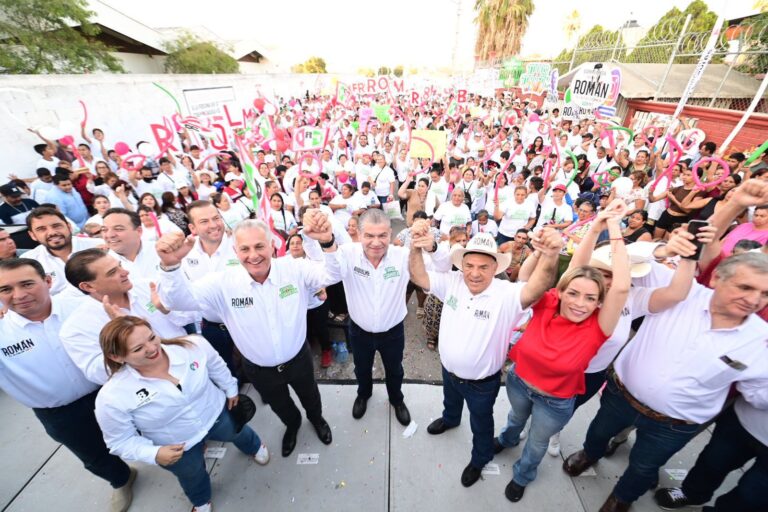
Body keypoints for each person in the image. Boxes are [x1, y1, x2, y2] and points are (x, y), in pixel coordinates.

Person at [562, 186, 768, 512]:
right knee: (598, 434)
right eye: (744, 286)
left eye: (764, 294)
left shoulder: (762, 341)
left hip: (676, 426)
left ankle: (621, 499)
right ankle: (589, 454)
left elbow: (758, 395)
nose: (754, 299)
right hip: (621, 397)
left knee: (643, 467)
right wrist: (661, 250)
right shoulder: (679, 290)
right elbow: (630, 261)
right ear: (715, 278)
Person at [154, 221, 334, 457]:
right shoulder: (222, 283)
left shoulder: (295, 269)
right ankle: (293, 425)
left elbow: (331, 274)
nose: (253, 255)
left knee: (310, 396)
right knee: (280, 405)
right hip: (259, 370)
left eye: (259, 246)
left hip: (299, 359)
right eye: (245, 249)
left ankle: (316, 419)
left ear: (272, 246)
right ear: (235, 251)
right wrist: (170, 266)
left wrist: (326, 242)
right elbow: (178, 301)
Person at [408, 225, 562, 488]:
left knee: (481, 424)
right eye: (469, 266)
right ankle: (450, 419)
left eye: (483, 267)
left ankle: (479, 459)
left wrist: (550, 254)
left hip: (481, 383)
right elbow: (420, 277)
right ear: (462, 266)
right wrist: (414, 247)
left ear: (495, 268)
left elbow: (538, 287)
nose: (475, 273)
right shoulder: (453, 282)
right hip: (449, 371)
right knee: (450, 400)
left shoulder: (507, 294)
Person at [0, 258, 136, 512]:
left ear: (48, 281)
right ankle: (122, 479)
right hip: (59, 414)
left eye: (27, 284)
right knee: (94, 456)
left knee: (144, 431)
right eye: (5, 289)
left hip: (109, 392)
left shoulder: (84, 307)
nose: (18, 295)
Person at [95, 316, 268, 512]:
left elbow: (216, 365)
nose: (152, 349)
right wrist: (155, 453)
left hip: (216, 413)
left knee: (238, 432)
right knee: (191, 475)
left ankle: (255, 447)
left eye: (152, 337)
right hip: (177, 446)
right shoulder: (111, 397)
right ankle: (201, 500)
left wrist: (230, 389)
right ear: (116, 357)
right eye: (138, 349)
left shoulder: (193, 346)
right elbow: (119, 441)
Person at [302, 208, 413, 426]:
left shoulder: (403, 257)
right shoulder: (347, 253)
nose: (376, 242)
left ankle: (396, 399)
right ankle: (364, 394)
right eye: (369, 235)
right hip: (359, 331)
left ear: (390, 234)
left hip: (393, 332)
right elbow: (328, 270)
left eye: (382, 235)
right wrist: (325, 241)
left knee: (395, 369)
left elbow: (436, 267)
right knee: (361, 368)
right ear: (360, 234)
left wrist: (432, 246)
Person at [60, 248, 191, 384]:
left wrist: (167, 310)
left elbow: (191, 315)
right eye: (112, 272)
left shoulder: (148, 287)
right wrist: (121, 334)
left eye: (120, 265)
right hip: (154, 387)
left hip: (192, 362)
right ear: (88, 286)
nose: (125, 272)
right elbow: (99, 374)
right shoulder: (76, 328)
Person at [181, 201, 242, 377]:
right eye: (204, 221)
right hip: (211, 325)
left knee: (254, 363)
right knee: (224, 365)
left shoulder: (238, 244)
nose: (214, 225)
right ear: (192, 227)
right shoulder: (186, 253)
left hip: (243, 320)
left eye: (216, 218)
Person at [24, 207, 103, 296]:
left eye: (56, 226)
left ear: (69, 227)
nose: (52, 232)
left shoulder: (98, 247)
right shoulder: (29, 262)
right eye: (41, 229)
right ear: (32, 235)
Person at [287, 234, 333, 368]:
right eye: (292, 243)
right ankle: (306, 352)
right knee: (302, 331)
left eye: (298, 243)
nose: (295, 245)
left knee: (321, 329)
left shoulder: (313, 261)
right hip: (298, 305)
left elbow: (324, 277)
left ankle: (326, 350)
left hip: (316, 303)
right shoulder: (284, 263)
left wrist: (322, 288)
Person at [102, 208, 162, 279]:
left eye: (118, 229)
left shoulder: (161, 251)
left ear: (139, 231)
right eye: (104, 230)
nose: (110, 235)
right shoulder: (102, 265)